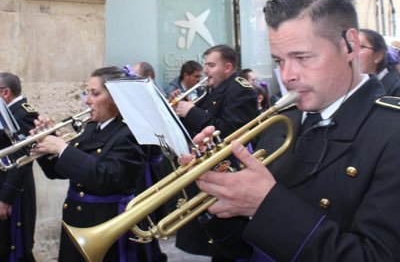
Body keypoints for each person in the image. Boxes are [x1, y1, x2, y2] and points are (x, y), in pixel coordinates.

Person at [189, 0, 400, 261]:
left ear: (350, 45)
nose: (287, 75)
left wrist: (267, 205)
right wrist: (223, 188)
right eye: (279, 61)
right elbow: (243, 246)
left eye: (302, 57)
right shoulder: (281, 122)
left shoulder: (391, 130)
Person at [34, 66, 166, 262]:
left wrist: (63, 149)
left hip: (106, 222)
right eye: (86, 93)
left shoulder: (131, 133)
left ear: (115, 98)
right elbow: (59, 172)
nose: (87, 101)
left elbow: (108, 177)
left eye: (94, 94)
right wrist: (45, 145)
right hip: (77, 222)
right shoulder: (90, 128)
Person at [174, 45, 258, 261]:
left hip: (228, 174)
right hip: (211, 173)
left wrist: (192, 111)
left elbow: (231, 130)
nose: (206, 70)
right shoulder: (215, 90)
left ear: (228, 67)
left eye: (211, 65)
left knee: (228, 246)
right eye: (205, 65)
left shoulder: (241, 89)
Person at [0, 72, 38, 262]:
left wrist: (6, 198)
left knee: (15, 248)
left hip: (15, 192)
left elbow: (23, 158)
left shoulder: (23, 113)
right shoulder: (9, 112)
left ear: (5, 93)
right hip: (6, 184)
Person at [359, 28, 400, 96]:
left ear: (378, 56)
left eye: (360, 47)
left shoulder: (396, 90)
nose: (351, 52)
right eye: (350, 46)